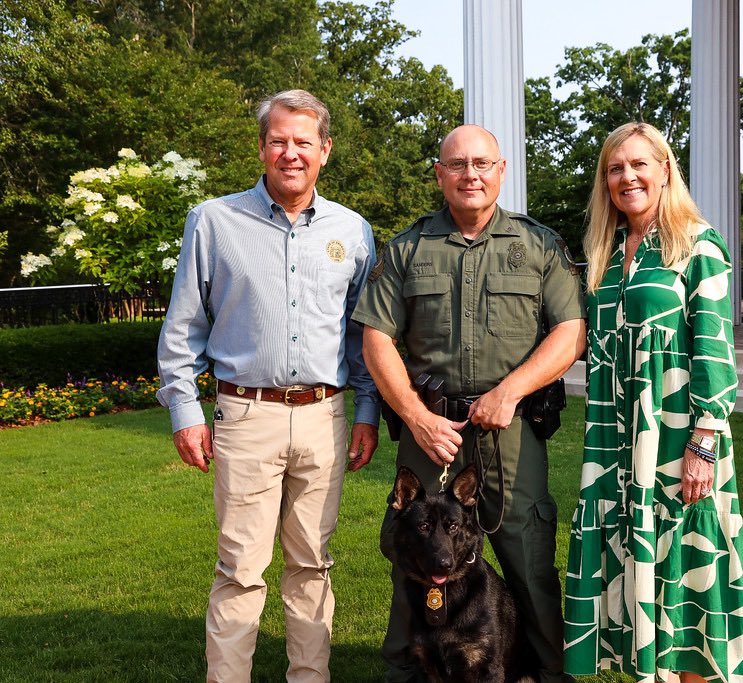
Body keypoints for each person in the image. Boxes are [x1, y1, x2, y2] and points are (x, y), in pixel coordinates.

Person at [156, 89, 380, 682]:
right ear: (261, 148)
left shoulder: (353, 232)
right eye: (278, 141)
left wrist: (366, 411)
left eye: (303, 142)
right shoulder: (213, 221)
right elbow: (183, 326)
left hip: (325, 417)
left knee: (312, 565)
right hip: (245, 416)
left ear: (324, 151)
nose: (290, 153)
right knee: (239, 568)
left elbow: (362, 336)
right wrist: (185, 410)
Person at [352, 124, 585, 683]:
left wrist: (511, 391)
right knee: (413, 553)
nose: (470, 174)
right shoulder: (409, 247)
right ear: (440, 174)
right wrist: (415, 416)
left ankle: (547, 673)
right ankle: (409, 672)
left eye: (482, 163)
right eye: (457, 164)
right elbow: (375, 337)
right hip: (429, 427)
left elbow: (572, 330)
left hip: (509, 429)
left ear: (502, 170)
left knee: (528, 558)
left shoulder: (538, 246)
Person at [563, 122, 743, 683]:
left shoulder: (698, 244)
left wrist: (705, 437)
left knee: (686, 570)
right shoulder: (605, 253)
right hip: (614, 437)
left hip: (678, 436)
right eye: (614, 168)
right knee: (633, 559)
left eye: (638, 164)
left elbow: (715, 348)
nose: (626, 176)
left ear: (665, 170)